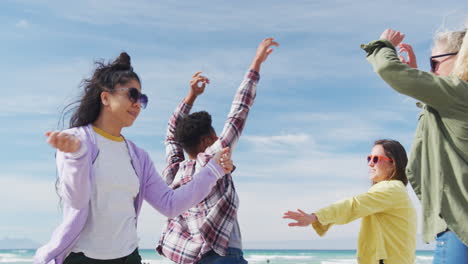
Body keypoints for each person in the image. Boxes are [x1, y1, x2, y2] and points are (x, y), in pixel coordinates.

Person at [33, 52, 234, 264]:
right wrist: (76, 158)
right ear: (105, 97)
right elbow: (77, 199)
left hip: (128, 257)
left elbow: (170, 204)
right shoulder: (77, 140)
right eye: (132, 94)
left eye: (142, 99)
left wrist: (213, 170)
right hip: (83, 258)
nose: (138, 104)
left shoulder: (138, 156)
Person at [157, 38, 279, 264]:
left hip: (190, 258)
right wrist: (256, 63)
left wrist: (191, 96)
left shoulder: (174, 172)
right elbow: (239, 112)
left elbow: (171, 135)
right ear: (206, 141)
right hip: (223, 255)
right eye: (214, 137)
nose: (218, 140)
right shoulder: (212, 162)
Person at [361, 27, 468, 263]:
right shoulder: (457, 98)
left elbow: (388, 68)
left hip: (460, 229)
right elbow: (437, 118)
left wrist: (382, 45)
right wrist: (420, 80)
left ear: (461, 57)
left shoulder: (457, 92)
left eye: (435, 62)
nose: (433, 70)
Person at [283, 139, 417, 264]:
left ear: (392, 163)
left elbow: (353, 205)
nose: (370, 163)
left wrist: (316, 216)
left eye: (376, 159)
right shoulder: (395, 191)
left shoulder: (391, 189)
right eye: (369, 158)